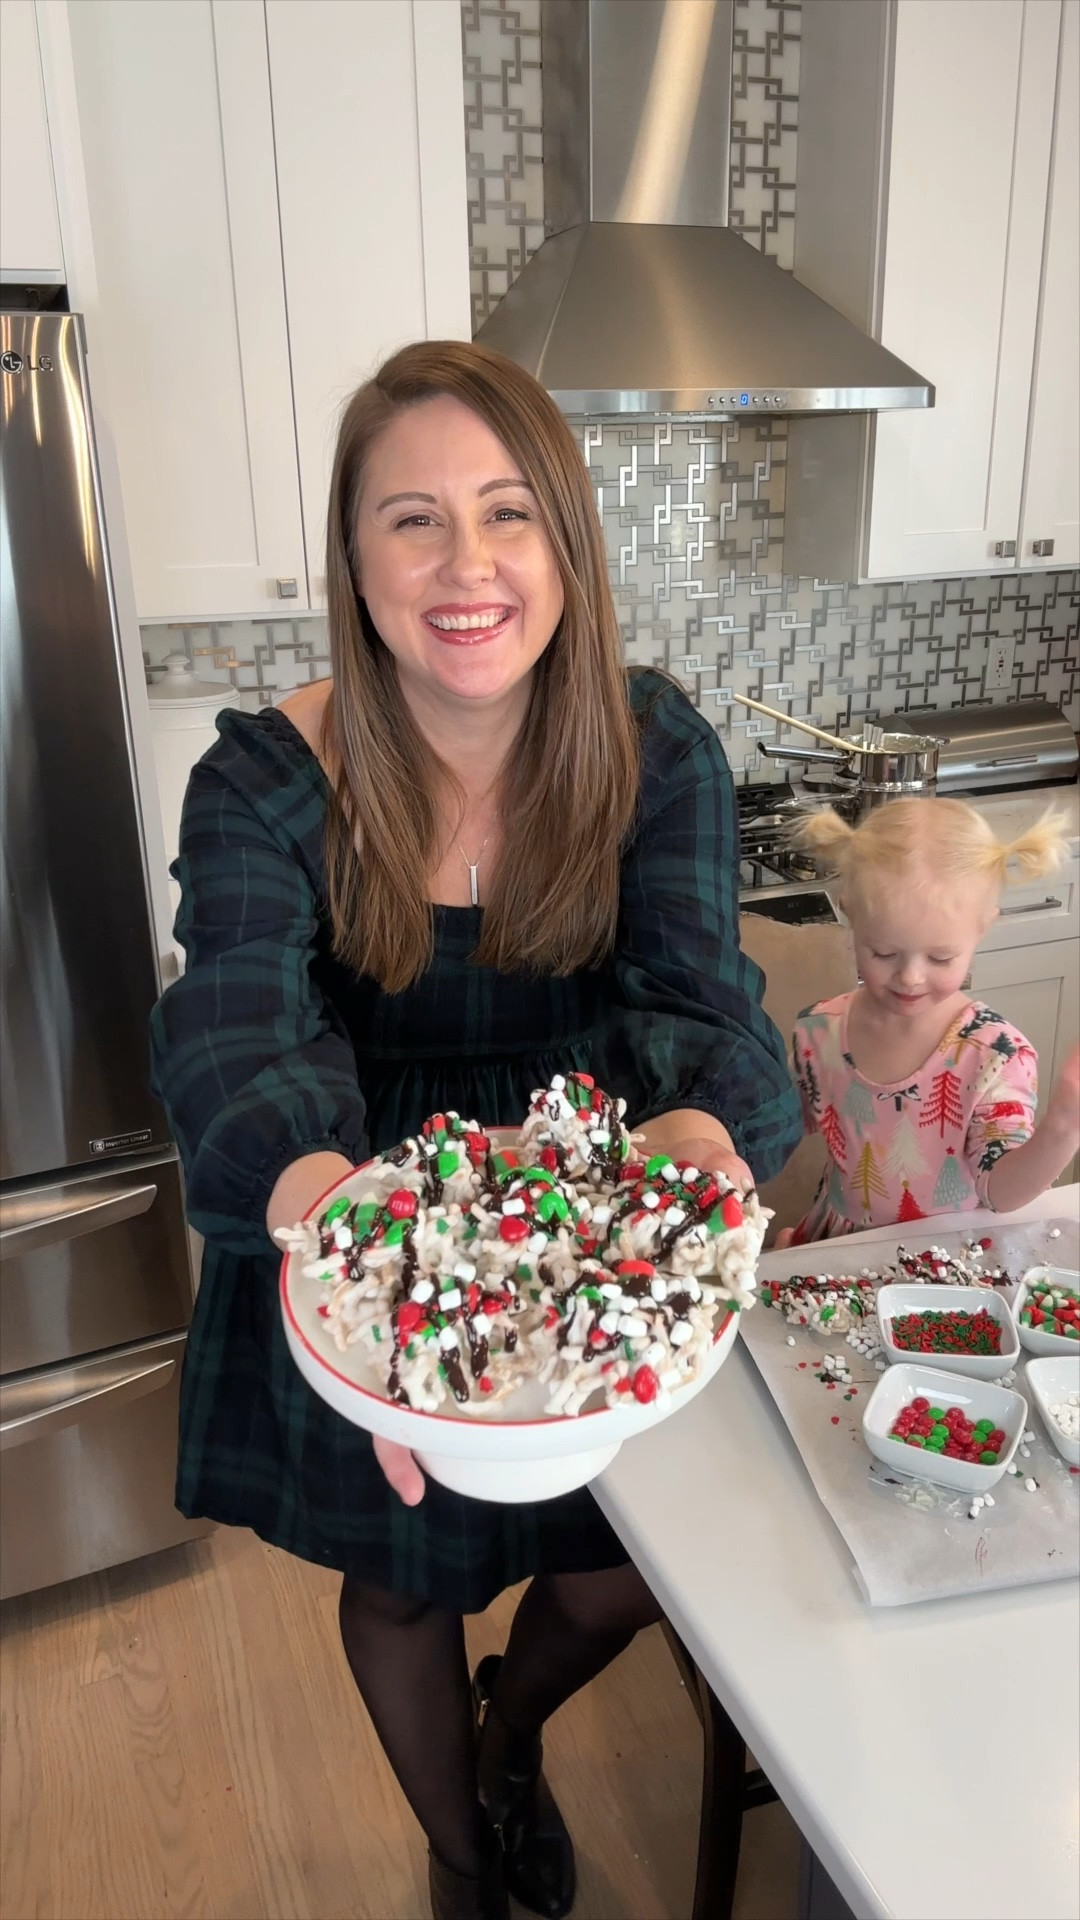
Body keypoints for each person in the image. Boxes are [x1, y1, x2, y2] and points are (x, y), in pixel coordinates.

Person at [149, 339, 801, 1920]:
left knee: (625, 1571)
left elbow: (699, 1003)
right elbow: (239, 1014)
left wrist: (703, 1148)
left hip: (590, 1216)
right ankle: (462, 1851)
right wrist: (356, 1257)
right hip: (366, 1213)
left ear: (566, 545)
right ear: (353, 559)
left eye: (509, 513)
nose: (467, 566)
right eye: (412, 519)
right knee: (398, 1583)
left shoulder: (657, 751)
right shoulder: (267, 779)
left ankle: (515, 1732)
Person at [775, 797, 1080, 1246]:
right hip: (838, 1246)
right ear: (850, 914)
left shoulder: (996, 1054)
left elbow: (1000, 1192)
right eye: (883, 953)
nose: (910, 978)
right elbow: (773, 1129)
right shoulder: (818, 1031)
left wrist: (1064, 1127)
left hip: (949, 1256)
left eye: (941, 957)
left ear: (983, 926)